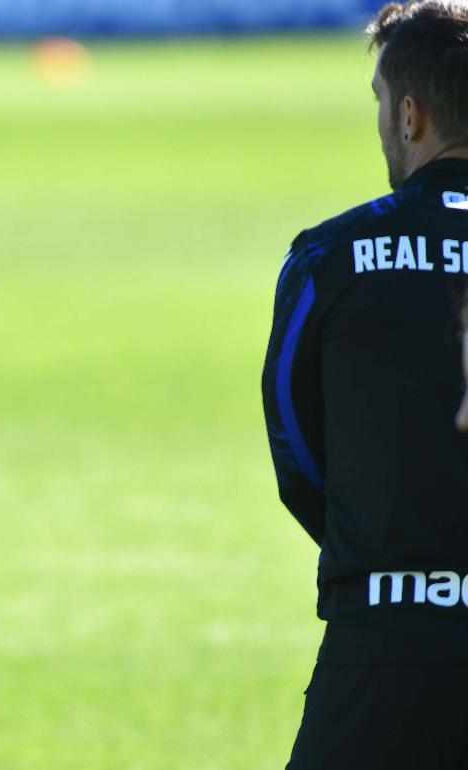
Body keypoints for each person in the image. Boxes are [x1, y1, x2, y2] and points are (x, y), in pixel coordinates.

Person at [261, 2, 468, 767]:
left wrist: (381, 546)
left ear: (410, 116)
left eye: (381, 102)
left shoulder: (331, 257)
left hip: (384, 644)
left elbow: (295, 450)